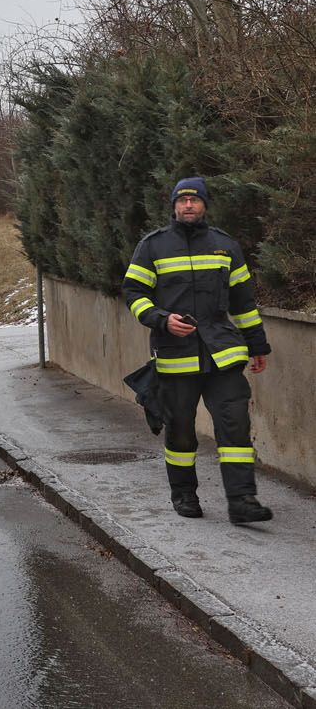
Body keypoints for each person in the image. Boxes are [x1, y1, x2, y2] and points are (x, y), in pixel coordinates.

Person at [122, 176, 273, 524]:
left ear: (205, 204)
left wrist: (257, 345)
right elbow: (133, 293)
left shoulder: (225, 246)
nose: (188, 205)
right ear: (174, 205)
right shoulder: (152, 246)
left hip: (223, 353)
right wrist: (162, 319)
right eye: (182, 200)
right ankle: (184, 494)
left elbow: (243, 302)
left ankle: (242, 501)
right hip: (176, 357)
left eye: (195, 200)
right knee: (180, 430)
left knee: (235, 427)